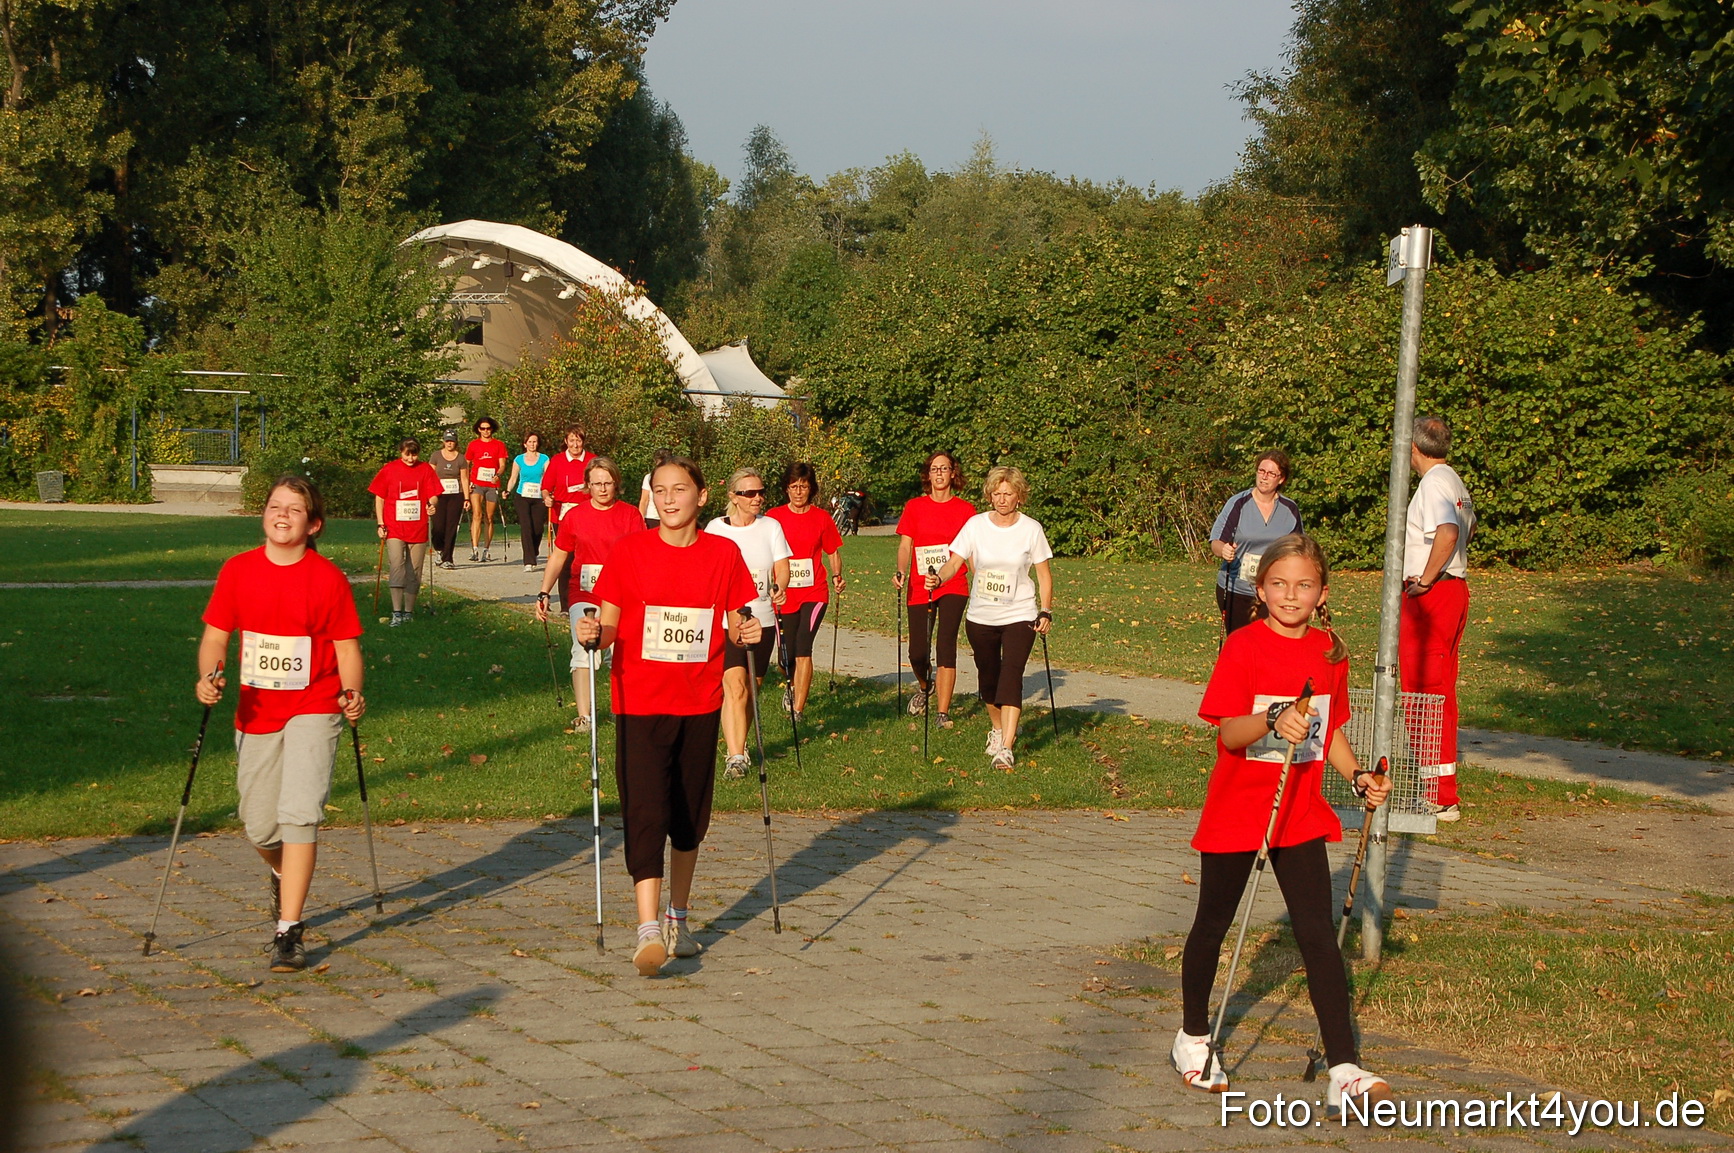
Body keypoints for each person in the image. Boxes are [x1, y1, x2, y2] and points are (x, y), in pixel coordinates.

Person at [1173, 533, 1392, 1111]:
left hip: (1297, 812)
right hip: (1239, 809)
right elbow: (1228, 732)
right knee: (1212, 926)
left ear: (1322, 593)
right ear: (1260, 589)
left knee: (1317, 934)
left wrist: (1356, 777)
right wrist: (1271, 718)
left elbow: (1332, 731)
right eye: (1279, 584)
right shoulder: (1243, 646)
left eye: (1303, 585)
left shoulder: (1329, 653)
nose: (1290, 595)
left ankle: (1344, 1066)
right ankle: (1193, 1037)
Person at [572, 457, 760, 976]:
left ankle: (679, 919)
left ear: (702, 496)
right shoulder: (629, 552)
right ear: (650, 497)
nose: (669, 499)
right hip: (639, 701)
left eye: (680, 490)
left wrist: (747, 632)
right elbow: (608, 626)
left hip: (699, 703)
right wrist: (594, 635)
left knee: (688, 816)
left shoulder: (724, 554)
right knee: (645, 811)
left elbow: (740, 618)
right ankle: (648, 927)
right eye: (660, 490)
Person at [195, 475, 366, 973]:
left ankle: (288, 931)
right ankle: (281, 872)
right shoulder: (238, 571)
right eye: (275, 506)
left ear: (313, 524)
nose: (282, 514)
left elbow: (347, 648)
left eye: (295, 509)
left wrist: (352, 693)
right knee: (260, 823)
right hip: (256, 711)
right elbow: (214, 637)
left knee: (299, 813)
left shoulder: (327, 578)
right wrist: (208, 676)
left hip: (315, 703)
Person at [927, 466, 1051, 768]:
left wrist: (1045, 610)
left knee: (1011, 676)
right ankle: (997, 728)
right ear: (989, 495)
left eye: (1008, 494)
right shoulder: (975, 525)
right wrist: (939, 579)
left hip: (1020, 613)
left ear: (1019, 496)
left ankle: (1006, 747)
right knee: (989, 678)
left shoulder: (1031, 529)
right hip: (981, 615)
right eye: (996, 493)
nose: (1002, 499)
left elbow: (1044, 575)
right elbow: (954, 562)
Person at [1403, 415, 1476, 823]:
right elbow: (1470, 526)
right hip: (1453, 588)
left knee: (1422, 691)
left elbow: (1447, 532)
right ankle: (1438, 788)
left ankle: (1439, 796)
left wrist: (1426, 579)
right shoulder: (1453, 479)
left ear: (1414, 447)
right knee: (1440, 690)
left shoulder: (1432, 484)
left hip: (1432, 594)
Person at [535, 457, 644, 729]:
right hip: (584, 593)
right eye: (597, 484)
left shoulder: (630, 514)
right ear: (588, 485)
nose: (603, 489)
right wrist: (543, 591)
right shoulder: (575, 516)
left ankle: (623, 710)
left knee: (619, 652)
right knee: (584, 649)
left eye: (608, 483)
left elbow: (641, 557)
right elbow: (559, 555)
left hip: (621, 596)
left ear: (616, 485)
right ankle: (585, 715)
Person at [706, 468, 792, 780]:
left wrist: (780, 586)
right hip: (727, 621)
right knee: (735, 686)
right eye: (749, 493)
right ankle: (736, 757)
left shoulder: (771, 527)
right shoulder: (716, 529)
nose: (757, 498)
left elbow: (782, 566)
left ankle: (736, 740)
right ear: (733, 497)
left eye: (760, 492)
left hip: (763, 620)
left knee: (750, 690)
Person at [894, 452, 975, 729]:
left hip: (954, 583)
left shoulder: (966, 510)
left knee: (945, 645)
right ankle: (925, 685)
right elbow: (906, 545)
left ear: (953, 473)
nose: (939, 473)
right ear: (927, 475)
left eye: (944, 468)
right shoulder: (915, 506)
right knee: (917, 651)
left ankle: (943, 712)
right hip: (920, 584)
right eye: (933, 469)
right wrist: (902, 570)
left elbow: (971, 551)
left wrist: (982, 579)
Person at [765, 462, 844, 726]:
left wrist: (836, 577)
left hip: (815, 592)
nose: (799, 492)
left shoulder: (822, 518)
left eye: (804, 487)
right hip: (784, 594)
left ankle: (798, 710)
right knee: (785, 658)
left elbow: (832, 551)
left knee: (803, 647)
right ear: (786, 489)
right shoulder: (773, 517)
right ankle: (789, 684)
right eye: (794, 486)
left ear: (811, 489)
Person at [1209, 451, 1303, 637]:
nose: (1264, 477)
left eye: (1271, 473)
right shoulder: (1238, 503)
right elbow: (1216, 542)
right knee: (1242, 645)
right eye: (1261, 471)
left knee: (1270, 644)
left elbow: (1299, 550)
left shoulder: (1289, 509)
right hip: (1238, 589)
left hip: (1274, 591)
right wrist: (1224, 550)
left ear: (1281, 479)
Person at [368, 439, 442, 626]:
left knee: (414, 571)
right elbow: (379, 497)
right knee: (397, 566)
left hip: (418, 528)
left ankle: (408, 611)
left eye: (414, 454)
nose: (410, 458)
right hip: (394, 527)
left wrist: (432, 505)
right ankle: (396, 611)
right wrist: (380, 523)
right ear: (401, 452)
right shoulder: (389, 469)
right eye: (407, 454)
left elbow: (433, 494)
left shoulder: (425, 469)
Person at [464, 416, 509, 562]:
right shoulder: (473, 445)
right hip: (477, 484)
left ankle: (486, 550)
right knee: (477, 514)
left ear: (492, 429)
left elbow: (502, 465)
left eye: (488, 428)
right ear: (478, 429)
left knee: (488, 517)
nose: (485, 431)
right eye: (482, 428)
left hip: (491, 484)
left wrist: (498, 474)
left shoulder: (499, 445)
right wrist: (468, 481)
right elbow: (466, 464)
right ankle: (475, 549)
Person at [505, 432, 550, 572]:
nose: (532, 444)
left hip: (538, 497)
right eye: (530, 442)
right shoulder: (519, 459)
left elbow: (548, 477)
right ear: (525, 444)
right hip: (522, 497)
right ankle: (528, 561)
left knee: (537, 528)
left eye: (535, 442)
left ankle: (533, 551)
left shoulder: (544, 459)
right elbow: (513, 478)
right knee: (526, 527)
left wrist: (549, 492)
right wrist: (507, 490)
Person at [429, 429, 468, 570]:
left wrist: (466, 498)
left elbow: (464, 478)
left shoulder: (461, 458)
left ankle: (448, 558)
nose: (449, 443)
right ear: (443, 441)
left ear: (456, 442)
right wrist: (429, 494)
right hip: (438, 495)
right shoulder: (436, 456)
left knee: (451, 527)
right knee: (438, 526)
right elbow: (430, 475)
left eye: (451, 441)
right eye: (447, 441)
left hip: (455, 495)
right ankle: (439, 548)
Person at [542, 426, 596, 524]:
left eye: (578, 441)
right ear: (566, 441)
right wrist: (547, 498)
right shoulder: (557, 460)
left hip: (587, 512)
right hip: (561, 514)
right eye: (571, 440)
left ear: (583, 442)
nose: (575, 445)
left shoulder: (593, 460)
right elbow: (546, 487)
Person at [638, 448, 672, 530]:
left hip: (669, 519)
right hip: (651, 519)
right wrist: (640, 521)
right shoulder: (649, 478)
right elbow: (644, 500)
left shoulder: (674, 477)